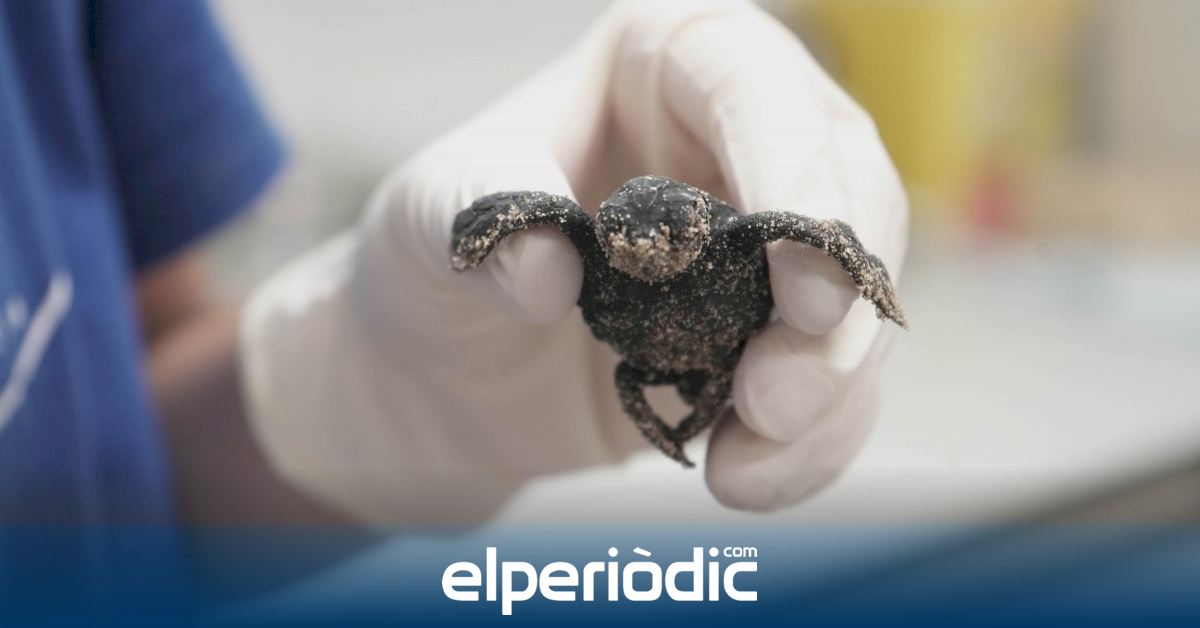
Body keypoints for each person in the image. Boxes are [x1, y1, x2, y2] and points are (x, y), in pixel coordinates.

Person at [0, 0, 906, 530]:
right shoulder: (592, 247)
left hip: (717, 342)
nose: (633, 247)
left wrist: (330, 389)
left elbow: (113, 403)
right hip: (649, 356)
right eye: (620, 236)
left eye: (655, 237)